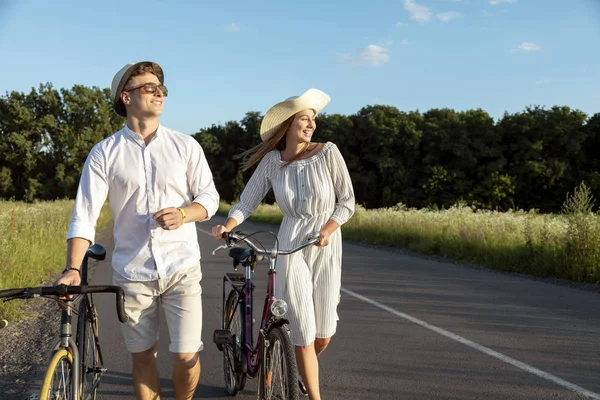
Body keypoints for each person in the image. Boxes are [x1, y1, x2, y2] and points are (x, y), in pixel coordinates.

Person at [56, 61, 219, 400]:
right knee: (144, 355)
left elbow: (210, 198)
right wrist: (73, 269)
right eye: (149, 87)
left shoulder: (185, 145)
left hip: (182, 266)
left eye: (161, 88)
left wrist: (185, 213)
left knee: (187, 356)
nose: (159, 92)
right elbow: (85, 214)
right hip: (133, 272)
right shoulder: (104, 153)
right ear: (125, 97)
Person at [211, 88, 355, 400]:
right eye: (305, 118)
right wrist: (229, 225)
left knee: (323, 334)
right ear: (287, 124)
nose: (311, 124)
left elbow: (347, 202)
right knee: (302, 328)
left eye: (313, 119)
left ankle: (298, 368)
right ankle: (313, 395)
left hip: (326, 244)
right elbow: (247, 203)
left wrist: (329, 228)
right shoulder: (272, 163)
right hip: (290, 242)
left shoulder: (329, 152)